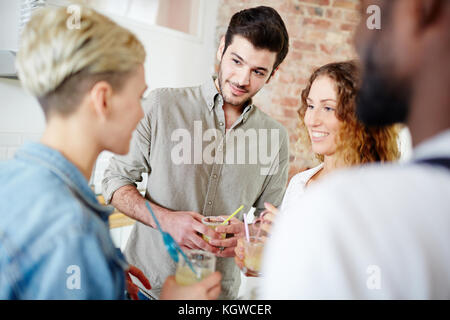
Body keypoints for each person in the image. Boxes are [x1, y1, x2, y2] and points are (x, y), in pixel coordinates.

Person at [0, 6, 220, 300]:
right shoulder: (73, 229)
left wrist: (105, 272)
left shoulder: (11, 177)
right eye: (138, 96)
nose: (142, 110)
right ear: (103, 99)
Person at [261, 0, 450, 299]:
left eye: (368, 11)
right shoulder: (302, 185)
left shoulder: (354, 204)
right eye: (310, 105)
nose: (361, 35)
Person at [102, 6, 290, 299]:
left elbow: (268, 220)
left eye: (258, 71)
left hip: (217, 297)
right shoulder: (162, 106)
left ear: (273, 74)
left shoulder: (275, 138)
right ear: (220, 49)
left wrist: (250, 234)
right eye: (236, 61)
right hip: (144, 290)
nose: (242, 79)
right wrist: (167, 221)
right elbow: (115, 182)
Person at [233, 61, 400, 284]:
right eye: (311, 106)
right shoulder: (300, 183)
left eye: (328, 108)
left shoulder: (376, 193)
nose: (311, 119)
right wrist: (265, 261)